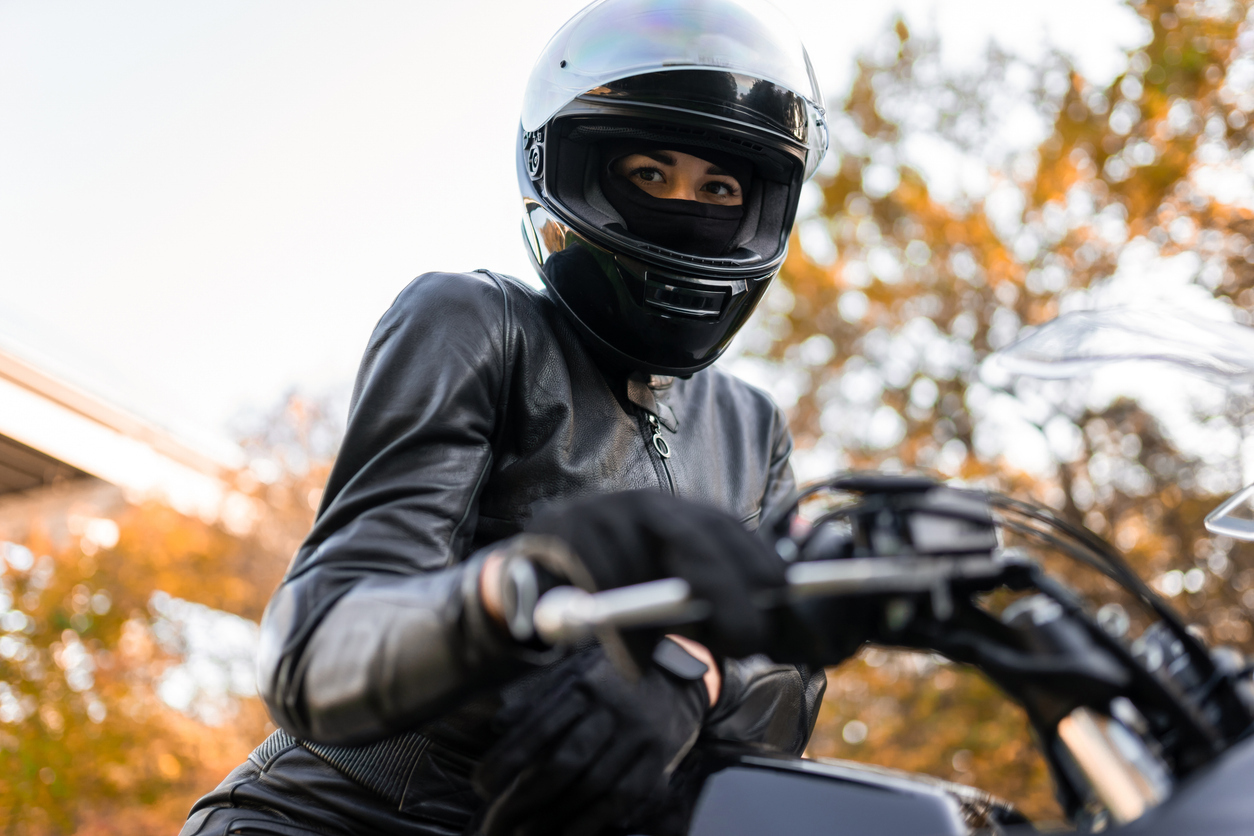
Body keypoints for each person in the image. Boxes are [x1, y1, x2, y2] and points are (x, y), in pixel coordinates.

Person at [180, 0, 831, 833]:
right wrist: (524, 585)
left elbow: (787, 683)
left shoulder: (751, 428)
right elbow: (321, 642)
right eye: (650, 176)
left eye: (718, 187)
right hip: (338, 816)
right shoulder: (474, 323)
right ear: (577, 170)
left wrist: (689, 673)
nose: (686, 205)